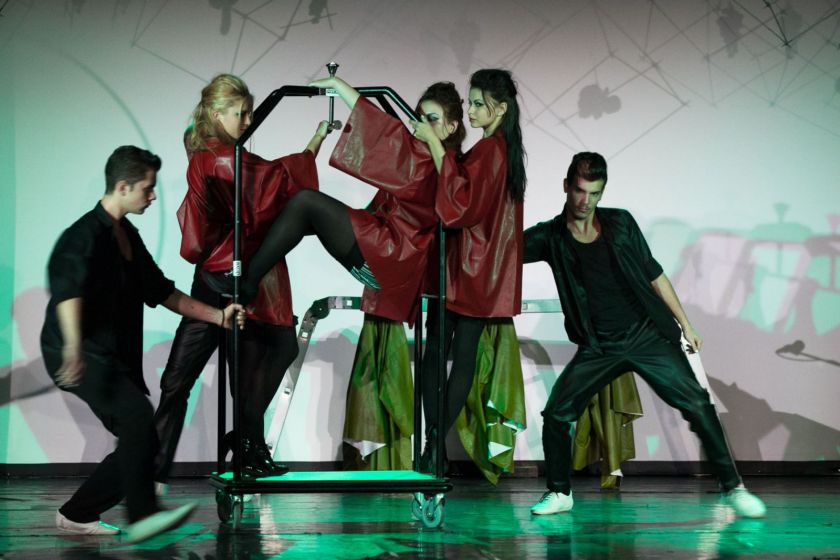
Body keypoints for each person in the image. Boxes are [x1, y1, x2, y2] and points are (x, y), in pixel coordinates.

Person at [524, 152, 766, 518]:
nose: (585, 201)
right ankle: (559, 493)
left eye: (595, 193)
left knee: (698, 404)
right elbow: (500, 252)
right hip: (599, 346)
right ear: (566, 187)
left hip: (645, 336)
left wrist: (686, 323)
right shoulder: (549, 237)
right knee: (558, 413)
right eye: (579, 191)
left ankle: (733, 488)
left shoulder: (621, 224)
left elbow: (654, 273)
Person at [40, 146, 245, 543]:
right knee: (136, 419)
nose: (152, 196)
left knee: (144, 439)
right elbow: (68, 292)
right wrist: (71, 349)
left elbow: (165, 293)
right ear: (123, 186)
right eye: (147, 189)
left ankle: (77, 513)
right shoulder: (84, 235)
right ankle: (142, 517)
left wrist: (219, 316)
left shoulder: (126, 236)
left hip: (111, 356)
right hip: (79, 353)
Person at [153, 74, 328, 486]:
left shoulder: (221, 154)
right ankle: (156, 465)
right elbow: (275, 185)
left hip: (241, 275)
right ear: (217, 114)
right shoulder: (216, 159)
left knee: (253, 366)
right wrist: (313, 146)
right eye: (240, 113)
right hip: (221, 281)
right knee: (182, 379)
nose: (248, 121)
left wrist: (314, 144)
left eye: (250, 112)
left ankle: (245, 443)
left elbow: (268, 183)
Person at [410, 68, 526, 473]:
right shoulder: (501, 150)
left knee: (443, 357)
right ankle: (434, 449)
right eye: (472, 102)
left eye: (479, 103)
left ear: (501, 108)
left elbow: (460, 204)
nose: (472, 109)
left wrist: (435, 147)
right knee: (455, 359)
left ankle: (432, 447)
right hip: (476, 273)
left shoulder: (493, 150)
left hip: (465, 271)